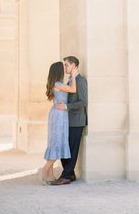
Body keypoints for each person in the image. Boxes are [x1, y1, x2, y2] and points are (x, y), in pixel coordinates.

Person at [52, 56, 88, 185]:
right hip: (67, 120)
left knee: (72, 150)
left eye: (66, 65)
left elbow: (83, 102)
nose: (65, 67)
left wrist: (66, 106)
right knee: (64, 148)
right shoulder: (69, 81)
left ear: (73, 66)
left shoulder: (80, 80)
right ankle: (70, 174)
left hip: (77, 121)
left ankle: (66, 176)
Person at [40, 61, 77, 185]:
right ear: (59, 71)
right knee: (57, 142)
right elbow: (73, 89)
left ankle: (50, 175)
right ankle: (44, 171)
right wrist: (73, 73)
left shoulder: (57, 83)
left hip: (57, 113)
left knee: (55, 142)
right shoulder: (58, 84)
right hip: (59, 115)